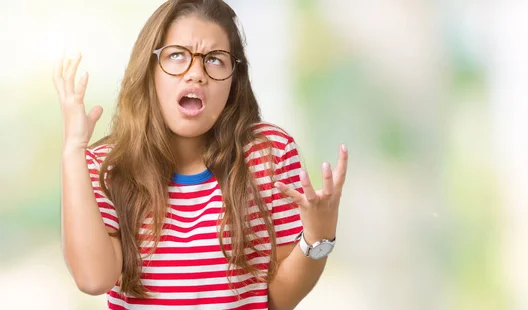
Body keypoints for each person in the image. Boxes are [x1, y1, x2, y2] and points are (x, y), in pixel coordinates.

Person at [52, 0, 348, 309]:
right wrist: (73, 151)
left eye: (215, 60)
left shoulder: (268, 154)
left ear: (234, 80)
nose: (196, 74)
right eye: (177, 55)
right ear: (149, 69)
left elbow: (279, 300)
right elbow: (93, 279)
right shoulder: (108, 166)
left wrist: (318, 236)